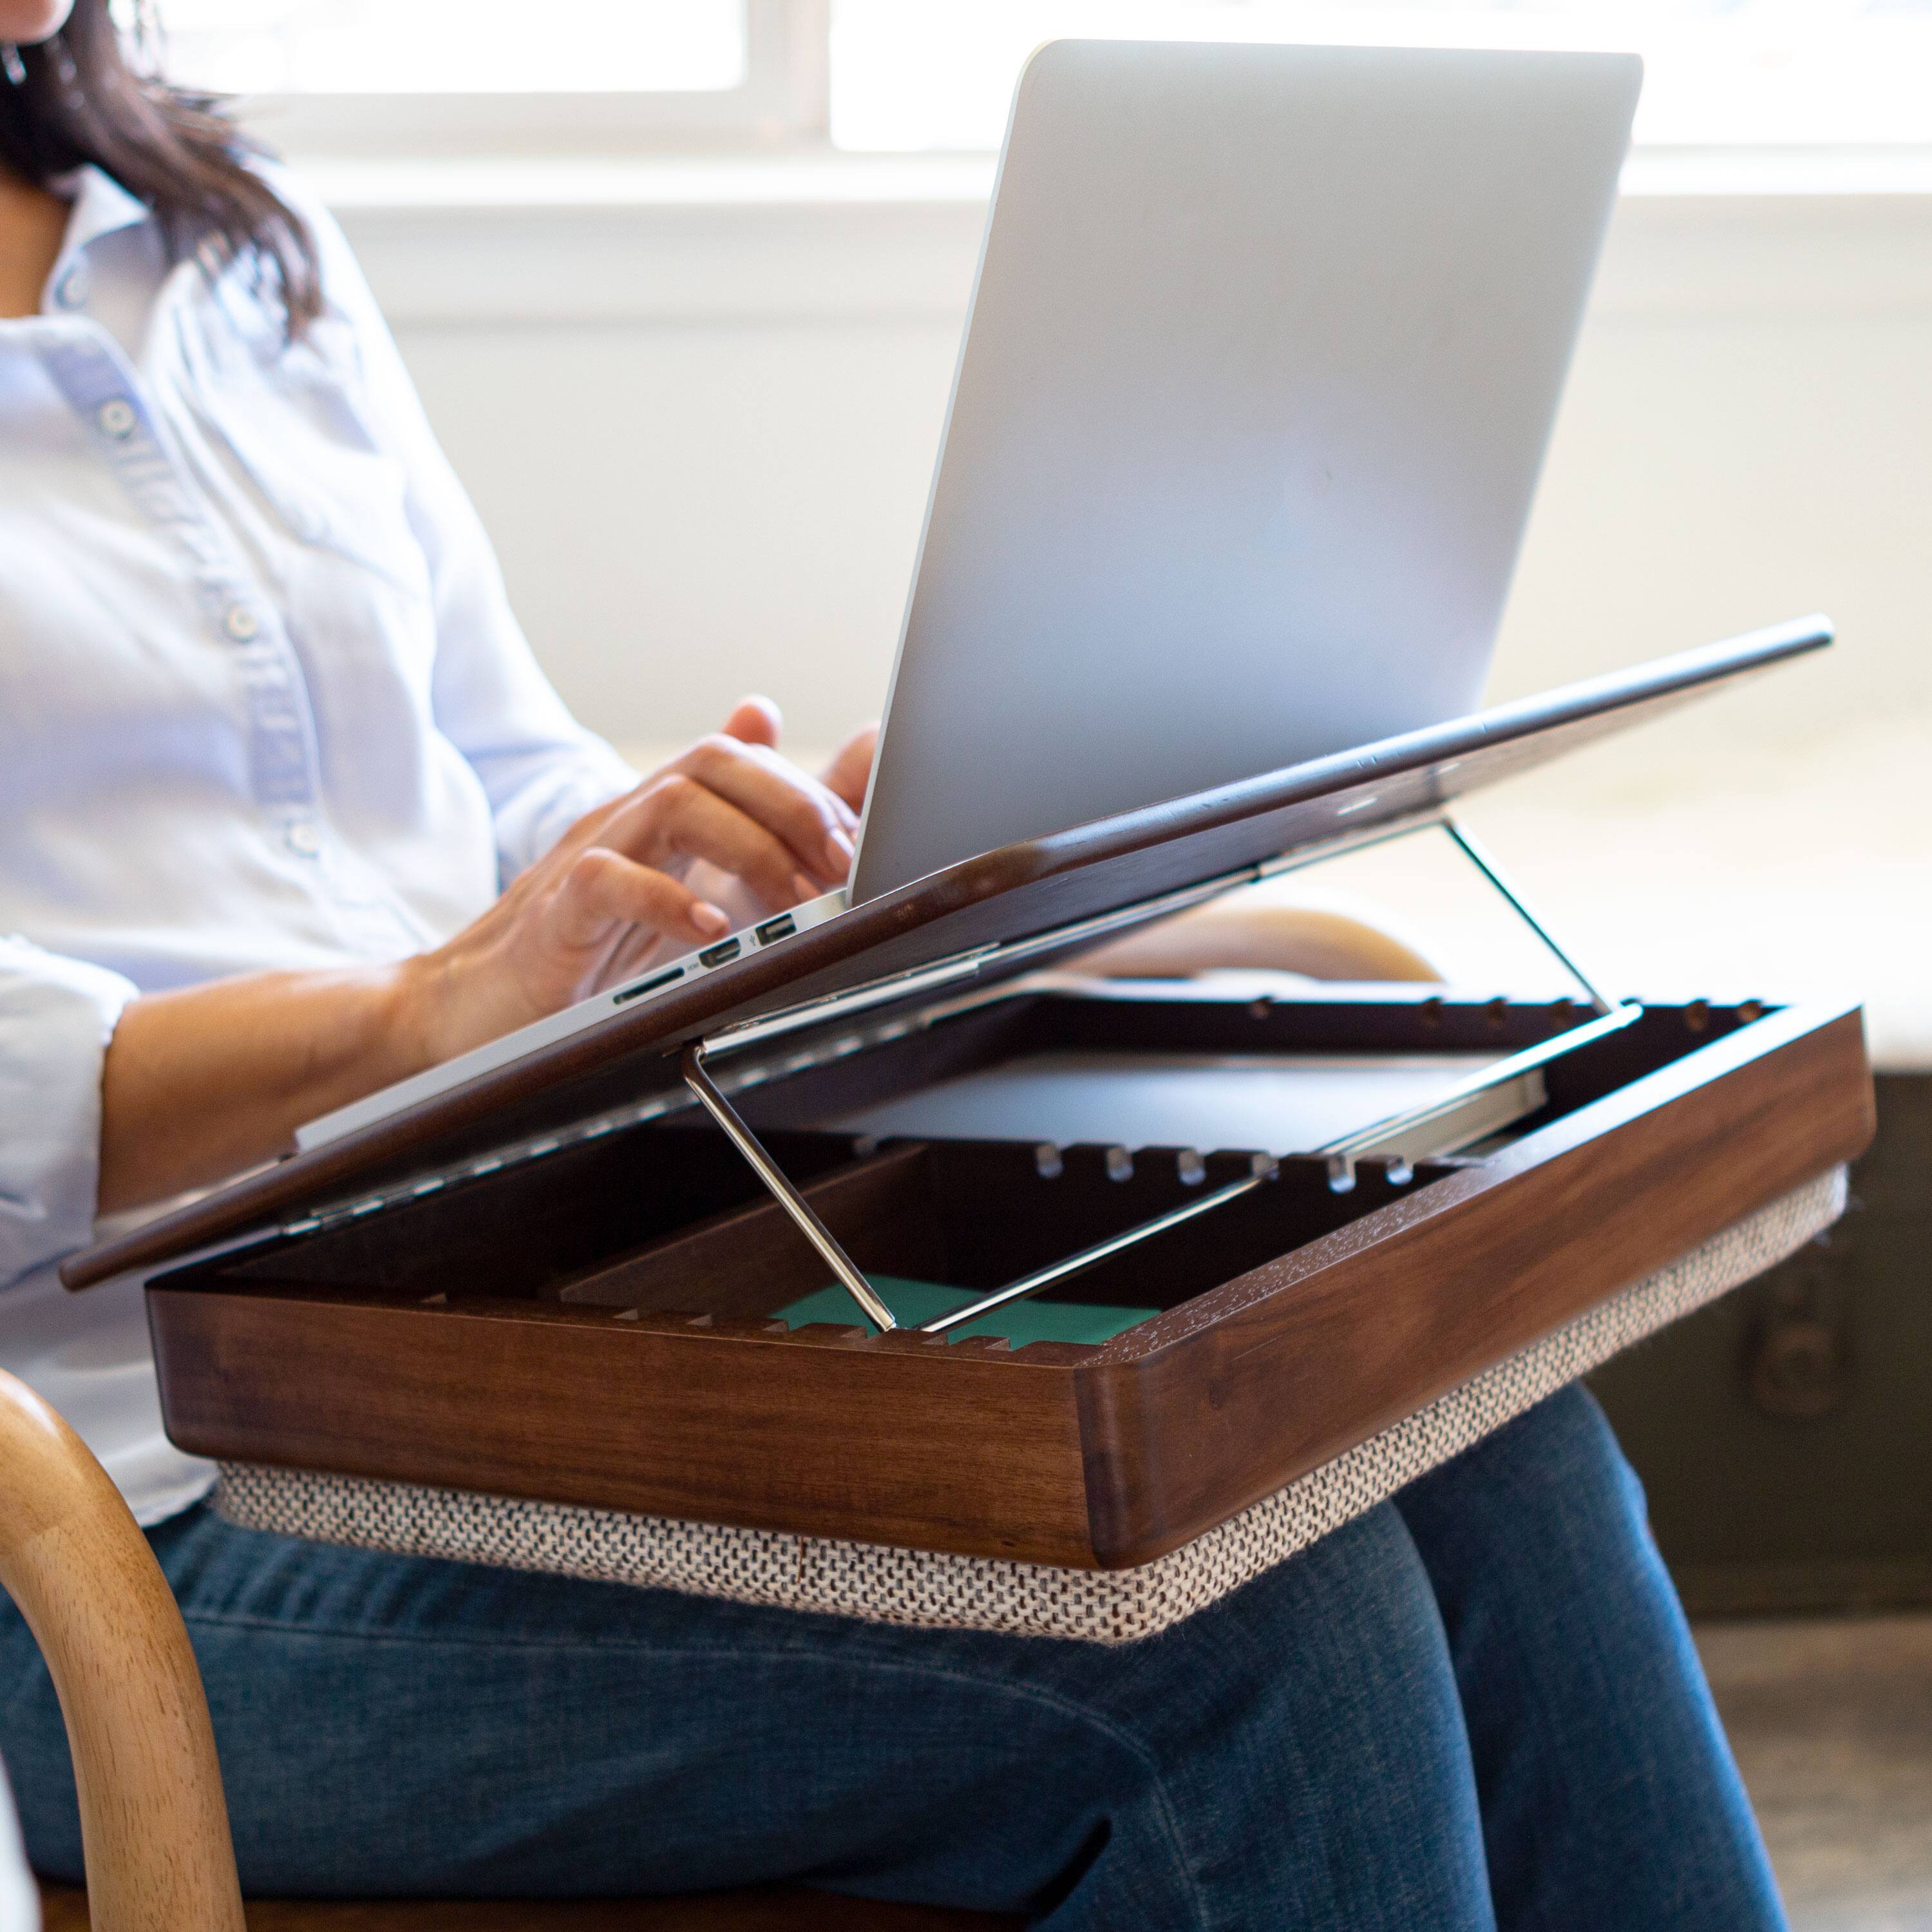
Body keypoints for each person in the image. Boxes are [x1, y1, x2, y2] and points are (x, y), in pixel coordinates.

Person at [0, 5, 1790, 1925]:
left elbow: (494, 767)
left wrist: (707, 880)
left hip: (468, 1320)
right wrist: (411, 1013)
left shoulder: (224, 231)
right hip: (122, 1503)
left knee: (1486, 1450)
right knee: (1244, 1646)